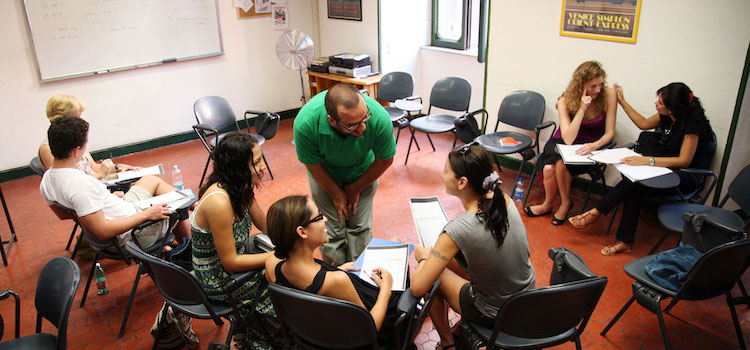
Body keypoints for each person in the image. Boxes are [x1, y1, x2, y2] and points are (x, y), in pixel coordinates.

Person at [410, 144, 536, 349]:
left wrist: (424, 257)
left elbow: (417, 288)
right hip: (525, 299)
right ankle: (460, 329)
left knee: (431, 274)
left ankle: (447, 343)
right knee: (445, 261)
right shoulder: (503, 199)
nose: (442, 175)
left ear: (462, 182)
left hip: (494, 312)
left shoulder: (457, 229)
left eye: (445, 171)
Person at [569, 82, 714, 256]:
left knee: (635, 186)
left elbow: (684, 161)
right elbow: (643, 123)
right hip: (665, 168)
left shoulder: (692, 127)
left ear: (671, 108)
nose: (656, 104)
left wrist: (647, 160)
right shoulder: (668, 115)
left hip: (686, 176)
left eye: (660, 103)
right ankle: (622, 239)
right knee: (634, 186)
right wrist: (622, 101)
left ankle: (600, 214)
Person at [264, 195, 403, 347]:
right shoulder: (335, 281)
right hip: (372, 330)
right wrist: (386, 290)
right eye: (319, 216)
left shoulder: (272, 266)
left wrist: (335, 270)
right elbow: (370, 328)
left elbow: (308, 291)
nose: (325, 220)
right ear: (302, 232)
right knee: (396, 245)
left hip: (318, 336)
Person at [190, 133, 282, 349]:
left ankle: (250, 339)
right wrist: (276, 255)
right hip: (218, 278)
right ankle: (260, 341)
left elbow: (265, 224)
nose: (262, 167)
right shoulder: (219, 202)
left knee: (286, 272)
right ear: (238, 166)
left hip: (234, 268)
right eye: (256, 162)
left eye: (261, 159)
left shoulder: (239, 187)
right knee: (283, 287)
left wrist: (293, 235)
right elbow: (230, 262)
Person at [39, 116, 189, 248]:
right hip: (134, 233)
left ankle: (176, 242)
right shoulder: (81, 184)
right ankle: (189, 253)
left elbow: (65, 215)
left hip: (122, 214)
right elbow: (103, 231)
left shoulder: (47, 179)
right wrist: (147, 215)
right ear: (76, 150)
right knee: (178, 208)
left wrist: (102, 202)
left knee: (150, 180)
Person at [293, 83, 396, 265]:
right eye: (352, 125)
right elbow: (313, 165)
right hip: (325, 175)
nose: (362, 129)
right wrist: (336, 193)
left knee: (360, 227)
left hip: (364, 173)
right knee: (331, 232)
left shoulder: (378, 117)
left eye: (364, 119)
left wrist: (355, 188)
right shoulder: (306, 123)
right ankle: (337, 277)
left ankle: (360, 278)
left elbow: (385, 160)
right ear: (332, 120)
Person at [524, 61, 617, 225]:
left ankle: (564, 204)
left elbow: (610, 132)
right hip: (565, 140)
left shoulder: (609, 95)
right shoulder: (565, 100)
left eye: (600, 84)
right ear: (581, 85)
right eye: (593, 86)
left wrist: (595, 145)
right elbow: (568, 139)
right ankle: (549, 204)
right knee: (548, 168)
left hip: (592, 143)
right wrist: (582, 109)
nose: (598, 90)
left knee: (559, 166)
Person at [39, 94, 139, 178]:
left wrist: (117, 168)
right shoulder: (48, 148)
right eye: (77, 117)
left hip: (94, 183)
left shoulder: (74, 139)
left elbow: (93, 167)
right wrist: (100, 175)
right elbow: (67, 182)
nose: (80, 121)